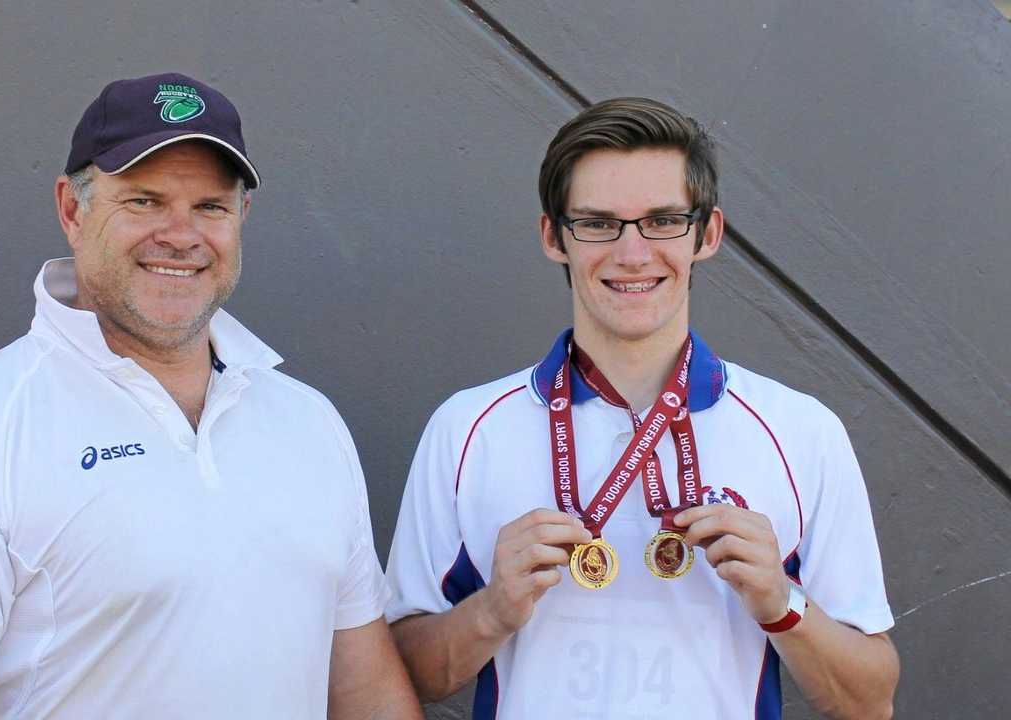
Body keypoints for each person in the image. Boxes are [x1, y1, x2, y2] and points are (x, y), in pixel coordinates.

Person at [0, 72, 422, 720]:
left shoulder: (309, 425)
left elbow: (368, 696)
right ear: (71, 209)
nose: (180, 235)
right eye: (144, 201)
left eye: (210, 206)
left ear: (242, 218)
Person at [385, 98, 899, 719]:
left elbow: (870, 702)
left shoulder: (802, 431)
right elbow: (406, 677)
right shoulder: (466, 428)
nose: (632, 254)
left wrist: (782, 603)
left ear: (707, 235)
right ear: (554, 237)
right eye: (598, 223)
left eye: (662, 221)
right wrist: (492, 610)